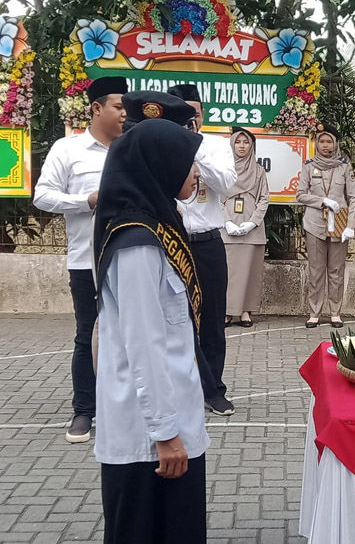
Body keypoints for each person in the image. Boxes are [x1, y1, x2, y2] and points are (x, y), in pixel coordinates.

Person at [92, 119, 209, 544]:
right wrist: (164, 433)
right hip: (150, 441)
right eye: (188, 162)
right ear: (160, 166)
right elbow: (143, 343)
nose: (196, 172)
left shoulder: (156, 227)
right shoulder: (137, 243)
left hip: (171, 425)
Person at [33, 76, 128, 443]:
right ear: (96, 108)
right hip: (86, 261)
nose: (124, 114)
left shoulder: (131, 149)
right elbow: (43, 196)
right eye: (118, 107)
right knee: (87, 335)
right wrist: (86, 201)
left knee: (130, 335)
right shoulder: (68, 149)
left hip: (129, 258)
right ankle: (84, 410)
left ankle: (123, 408)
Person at [168, 84, 237, 416]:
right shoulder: (158, 143)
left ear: (203, 114)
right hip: (170, 243)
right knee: (170, 318)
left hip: (208, 243)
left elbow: (226, 184)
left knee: (212, 320)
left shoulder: (215, 146)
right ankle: (173, 389)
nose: (189, 119)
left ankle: (213, 389)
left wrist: (193, 147)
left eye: (194, 113)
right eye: (182, 113)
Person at [296, 123, 355, 329]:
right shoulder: (308, 165)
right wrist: (321, 201)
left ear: (335, 144)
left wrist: (351, 224)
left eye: (329, 141)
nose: (325, 145)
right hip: (314, 224)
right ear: (316, 143)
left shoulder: (344, 166)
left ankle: (335, 313)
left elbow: (353, 197)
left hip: (339, 225)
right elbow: (300, 194)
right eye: (321, 141)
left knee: (336, 270)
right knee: (316, 270)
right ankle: (314, 312)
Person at [221, 127, 270, 327]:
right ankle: (227, 311)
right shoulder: (224, 170)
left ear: (252, 146)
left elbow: (264, 199)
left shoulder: (258, 171)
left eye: (246, 142)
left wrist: (252, 222)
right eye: (238, 142)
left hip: (253, 232)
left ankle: (246, 312)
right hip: (228, 230)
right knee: (228, 272)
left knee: (251, 271)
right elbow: (216, 199)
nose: (242, 146)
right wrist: (227, 222)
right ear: (232, 144)